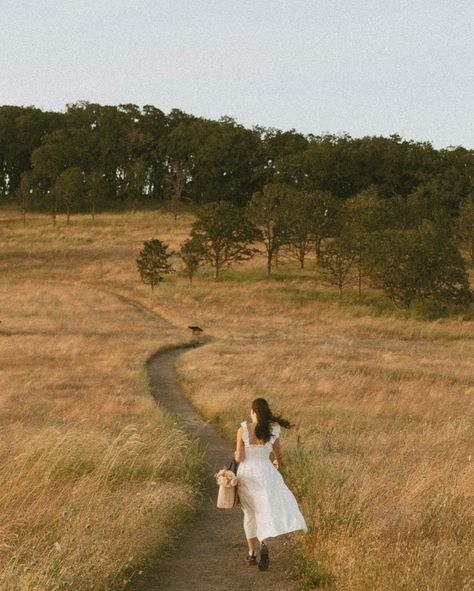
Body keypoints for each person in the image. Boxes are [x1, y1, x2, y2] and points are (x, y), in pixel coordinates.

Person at [234, 397, 308, 571]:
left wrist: (237, 453)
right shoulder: (273, 430)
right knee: (263, 510)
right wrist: (275, 464)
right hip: (266, 473)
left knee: (249, 513)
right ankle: (263, 542)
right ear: (266, 412)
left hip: (247, 475)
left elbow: (239, 458)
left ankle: (251, 554)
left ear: (253, 412)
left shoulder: (243, 430)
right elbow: (278, 457)